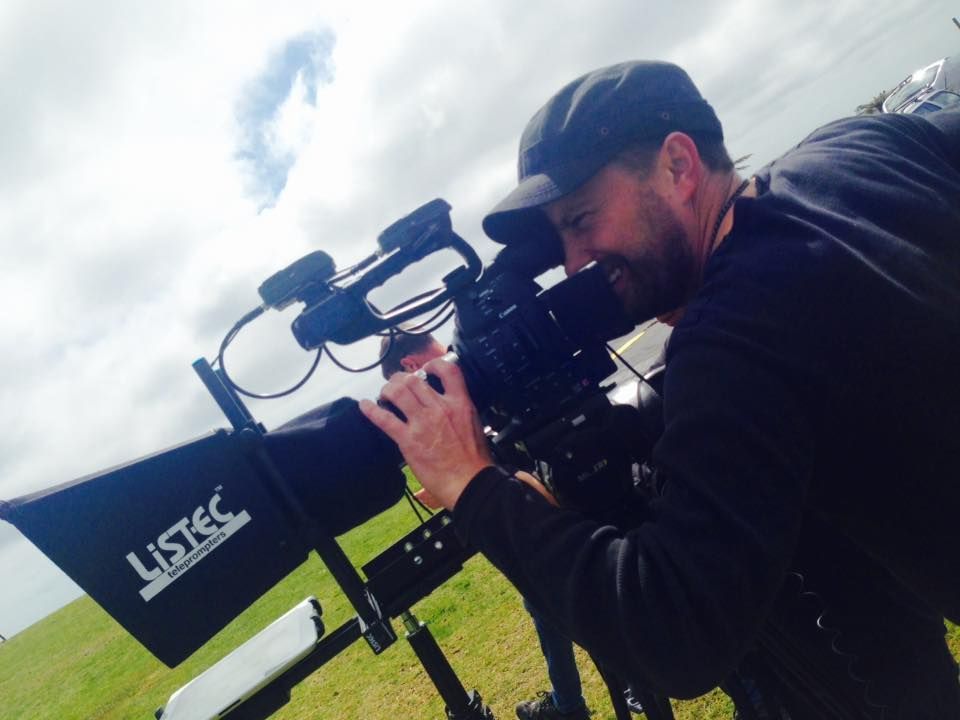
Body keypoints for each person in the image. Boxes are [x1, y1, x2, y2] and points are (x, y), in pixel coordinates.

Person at [361, 60, 960, 718]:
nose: (571, 264)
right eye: (558, 239)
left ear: (679, 166)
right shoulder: (859, 148)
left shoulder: (728, 342)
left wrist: (475, 487)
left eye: (582, 219)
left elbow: (675, 631)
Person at [379, 332, 596, 720]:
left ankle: (577, 702)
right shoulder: (451, 400)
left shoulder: (460, 391)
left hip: (554, 503)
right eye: (438, 351)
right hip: (548, 496)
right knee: (545, 601)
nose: (453, 358)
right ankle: (571, 702)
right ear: (413, 366)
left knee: (558, 593)